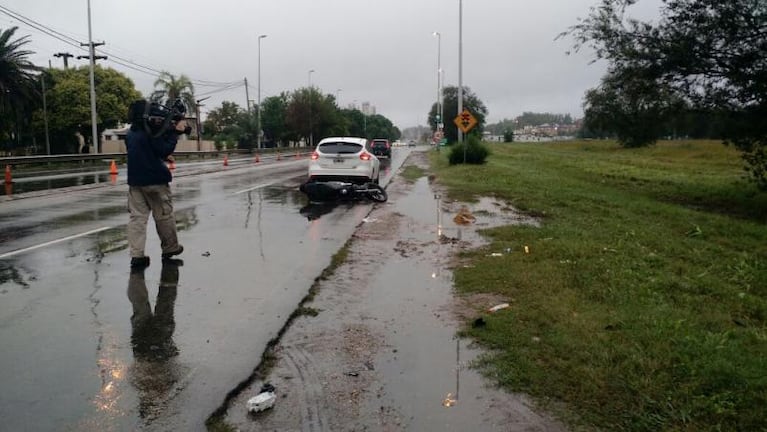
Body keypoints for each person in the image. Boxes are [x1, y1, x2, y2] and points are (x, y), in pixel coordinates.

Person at [126, 101, 186, 268]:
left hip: (135, 182)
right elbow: (163, 149)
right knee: (163, 215)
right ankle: (170, 248)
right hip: (156, 182)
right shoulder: (151, 133)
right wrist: (175, 132)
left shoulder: (131, 133)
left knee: (137, 219)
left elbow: (144, 152)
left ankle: (137, 255)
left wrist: (161, 157)